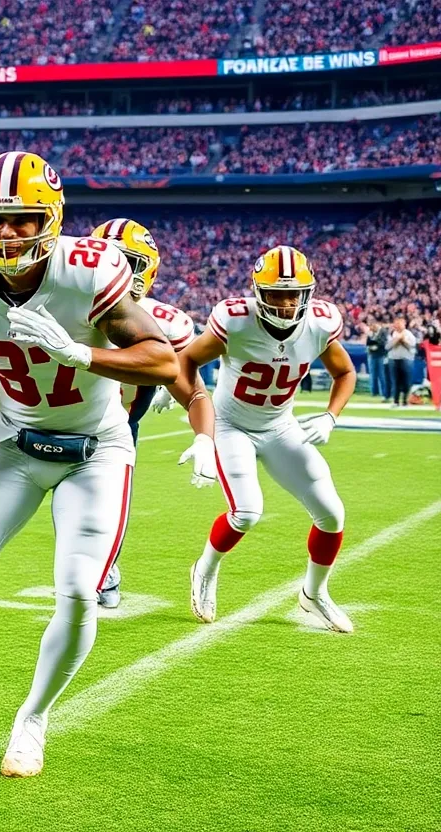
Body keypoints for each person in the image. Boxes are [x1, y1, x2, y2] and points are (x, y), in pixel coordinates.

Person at [0, 152, 177, 777]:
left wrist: (79, 352)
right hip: (15, 441)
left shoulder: (89, 271)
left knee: (78, 594)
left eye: (24, 219)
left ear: (53, 219)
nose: (8, 233)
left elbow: (164, 361)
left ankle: (32, 718)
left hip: (94, 451)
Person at [180, 245, 356, 634]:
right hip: (231, 425)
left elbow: (345, 373)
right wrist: (181, 395)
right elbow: (187, 360)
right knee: (246, 512)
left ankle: (314, 594)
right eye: (275, 292)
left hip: (280, 425)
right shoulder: (236, 320)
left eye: (293, 293)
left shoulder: (320, 324)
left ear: (308, 294)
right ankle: (205, 569)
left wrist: (330, 416)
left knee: (332, 514)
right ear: (258, 292)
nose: (285, 301)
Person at [89, 218, 212, 608]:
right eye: (110, 261)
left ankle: (104, 570)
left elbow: (193, 391)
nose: (120, 271)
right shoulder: (64, 304)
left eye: (129, 262)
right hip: (53, 418)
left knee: (103, 507)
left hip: (119, 429)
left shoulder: (167, 323)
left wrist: (205, 437)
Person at [387, 317, 416, 407]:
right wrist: (396, 340)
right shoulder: (391, 334)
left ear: (404, 324)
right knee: (395, 381)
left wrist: (403, 340)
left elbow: (412, 345)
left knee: (406, 381)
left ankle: (405, 400)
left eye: (400, 323)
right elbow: (387, 346)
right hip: (393, 359)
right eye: (396, 323)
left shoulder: (409, 334)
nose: (397, 325)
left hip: (406, 359)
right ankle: (395, 401)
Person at [365, 322, 388, 400]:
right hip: (372, 355)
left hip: (380, 355)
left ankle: (384, 392)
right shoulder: (371, 333)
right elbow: (368, 343)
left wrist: (374, 341)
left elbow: (383, 342)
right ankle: (374, 392)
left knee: (382, 375)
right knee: (373, 375)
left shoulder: (383, 332)